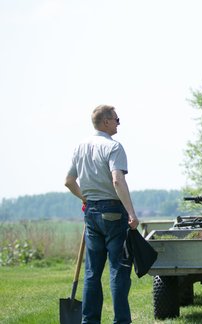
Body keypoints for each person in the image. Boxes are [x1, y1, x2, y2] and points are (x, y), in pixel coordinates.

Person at [65, 105, 139, 323]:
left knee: (92, 272)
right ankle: (121, 321)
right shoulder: (114, 147)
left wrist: (84, 198)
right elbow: (117, 180)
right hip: (114, 212)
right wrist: (131, 213)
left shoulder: (80, 147)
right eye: (117, 119)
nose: (118, 123)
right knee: (119, 269)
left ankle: (90, 321)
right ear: (106, 121)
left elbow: (69, 181)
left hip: (91, 213)